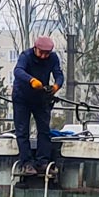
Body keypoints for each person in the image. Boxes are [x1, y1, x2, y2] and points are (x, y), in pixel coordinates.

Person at [12, 36, 64, 176]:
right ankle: (26, 163)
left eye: (46, 53)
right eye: (41, 52)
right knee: (22, 131)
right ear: (35, 48)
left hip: (40, 98)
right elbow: (18, 71)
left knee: (44, 130)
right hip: (22, 97)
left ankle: (43, 162)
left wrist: (56, 86)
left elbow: (59, 74)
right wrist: (31, 80)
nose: (43, 56)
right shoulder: (26, 56)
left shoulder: (53, 58)